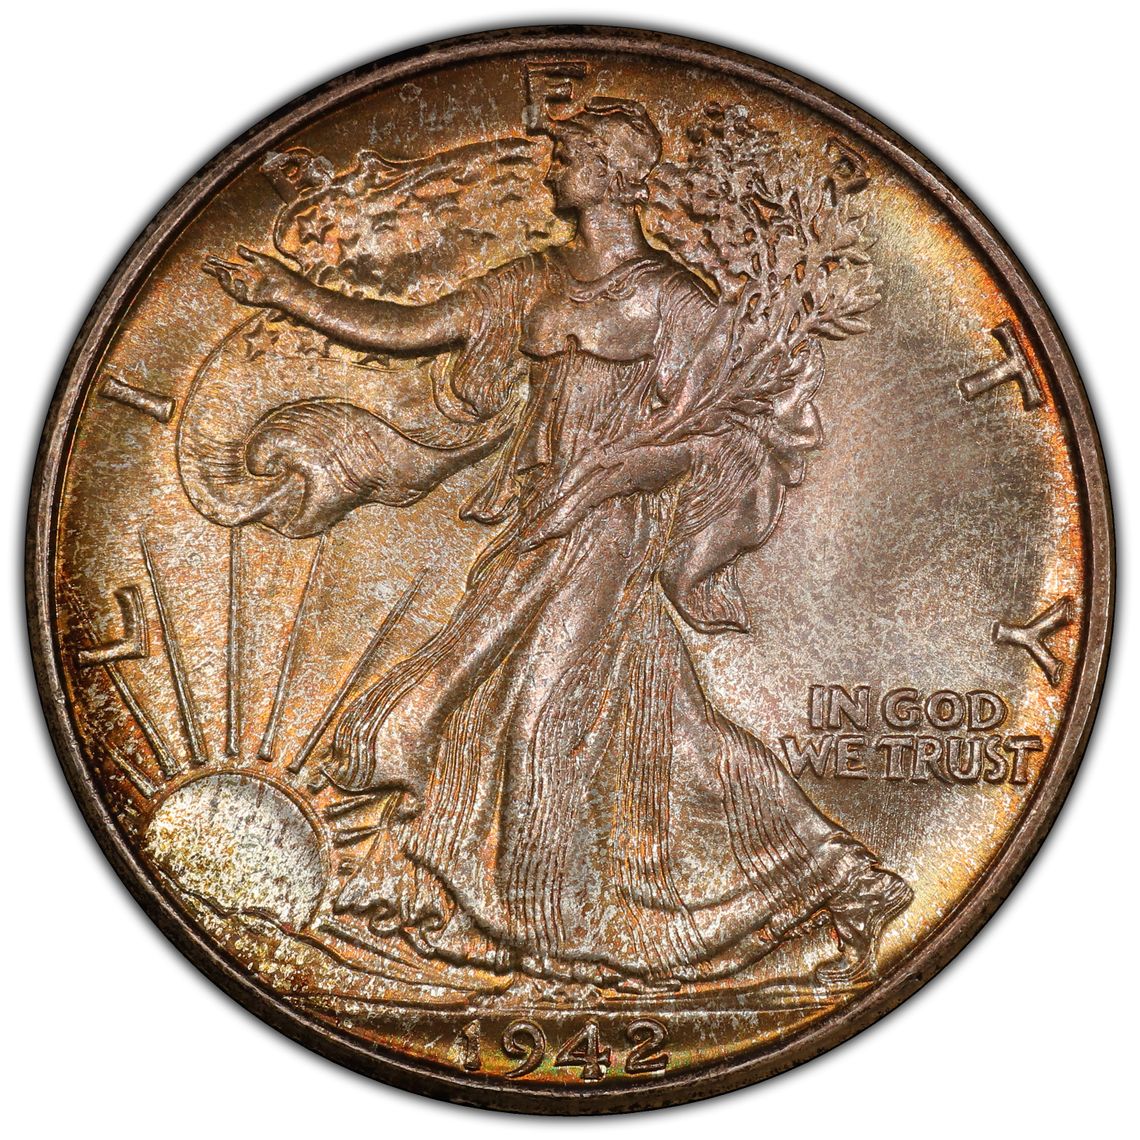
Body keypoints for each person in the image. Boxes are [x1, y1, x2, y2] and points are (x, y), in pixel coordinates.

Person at [205, 97, 910, 989]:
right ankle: (827, 880)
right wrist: (288, 294)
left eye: (571, 156)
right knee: (634, 722)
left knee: (539, 714)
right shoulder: (535, 278)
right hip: (540, 521)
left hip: (611, 527)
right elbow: (415, 328)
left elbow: (734, 434)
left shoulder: (675, 300)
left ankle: (547, 934)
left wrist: (626, 471)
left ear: (615, 175)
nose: (554, 170)